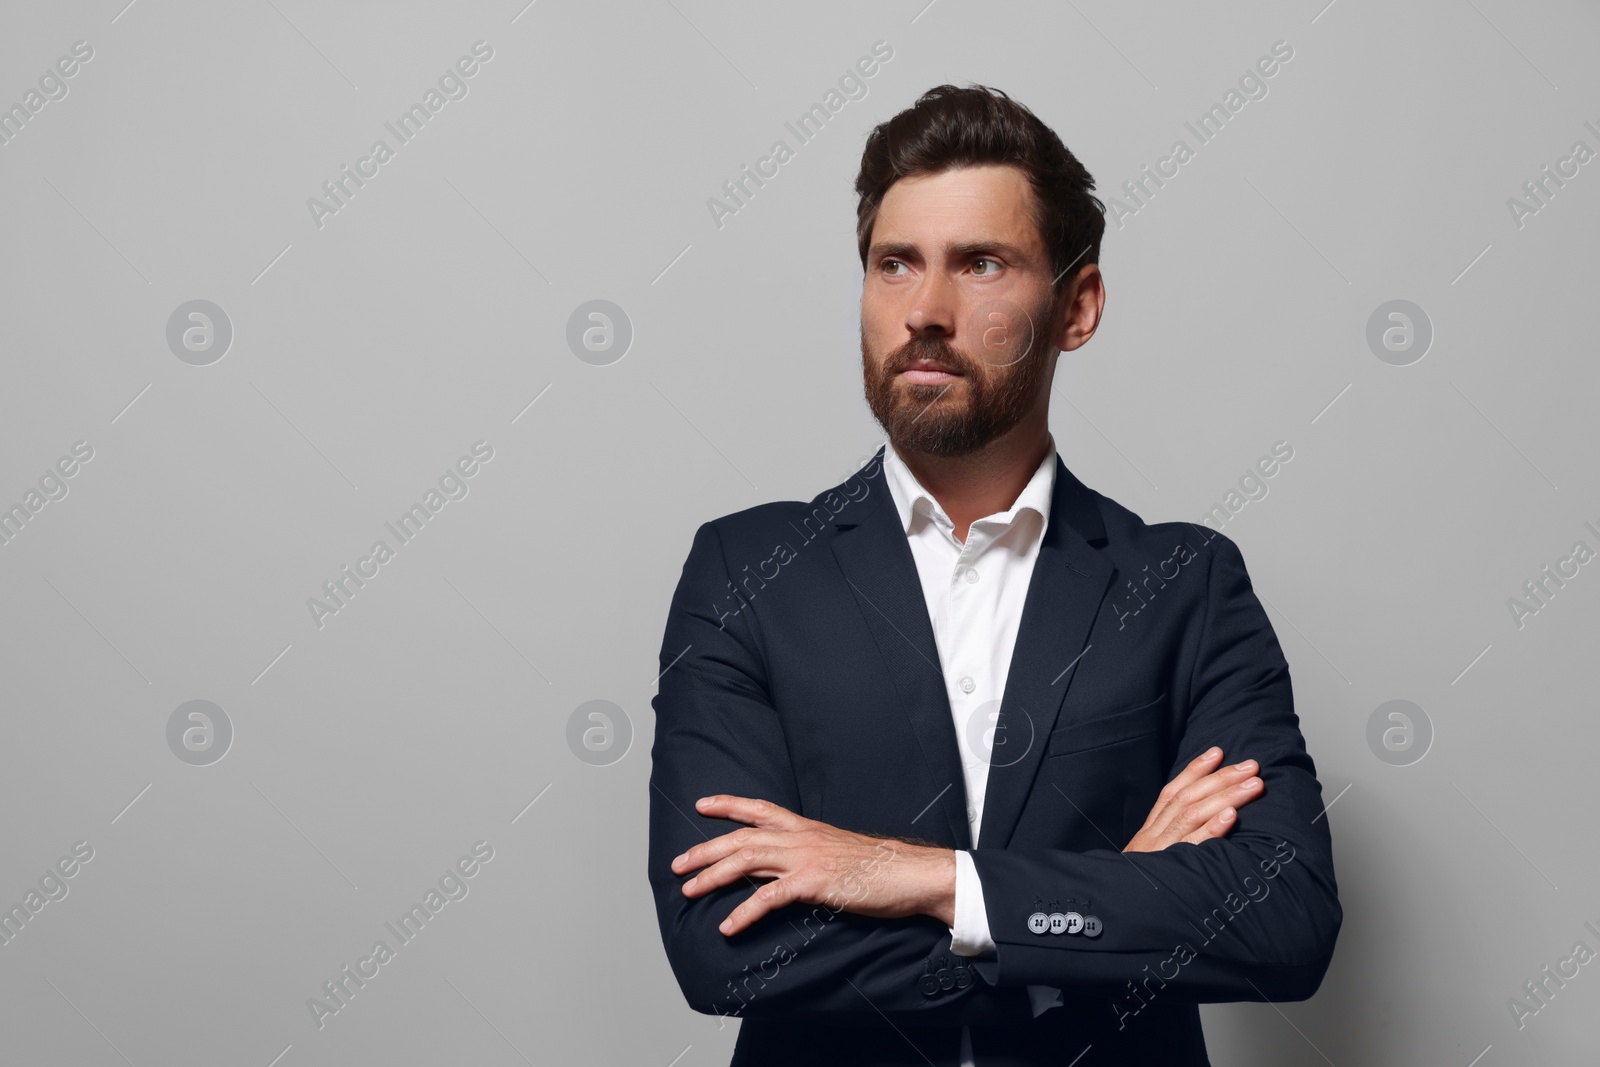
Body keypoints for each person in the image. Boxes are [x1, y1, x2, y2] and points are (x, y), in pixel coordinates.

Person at [647, 83, 1341, 1066]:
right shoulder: (748, 571)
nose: (925, 310)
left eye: (980, 264)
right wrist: (1095, 904)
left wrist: (929, 879)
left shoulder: (1185, 583)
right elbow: (724, 951)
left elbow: (1284, 918)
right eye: (895, 264)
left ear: (1078, 305)